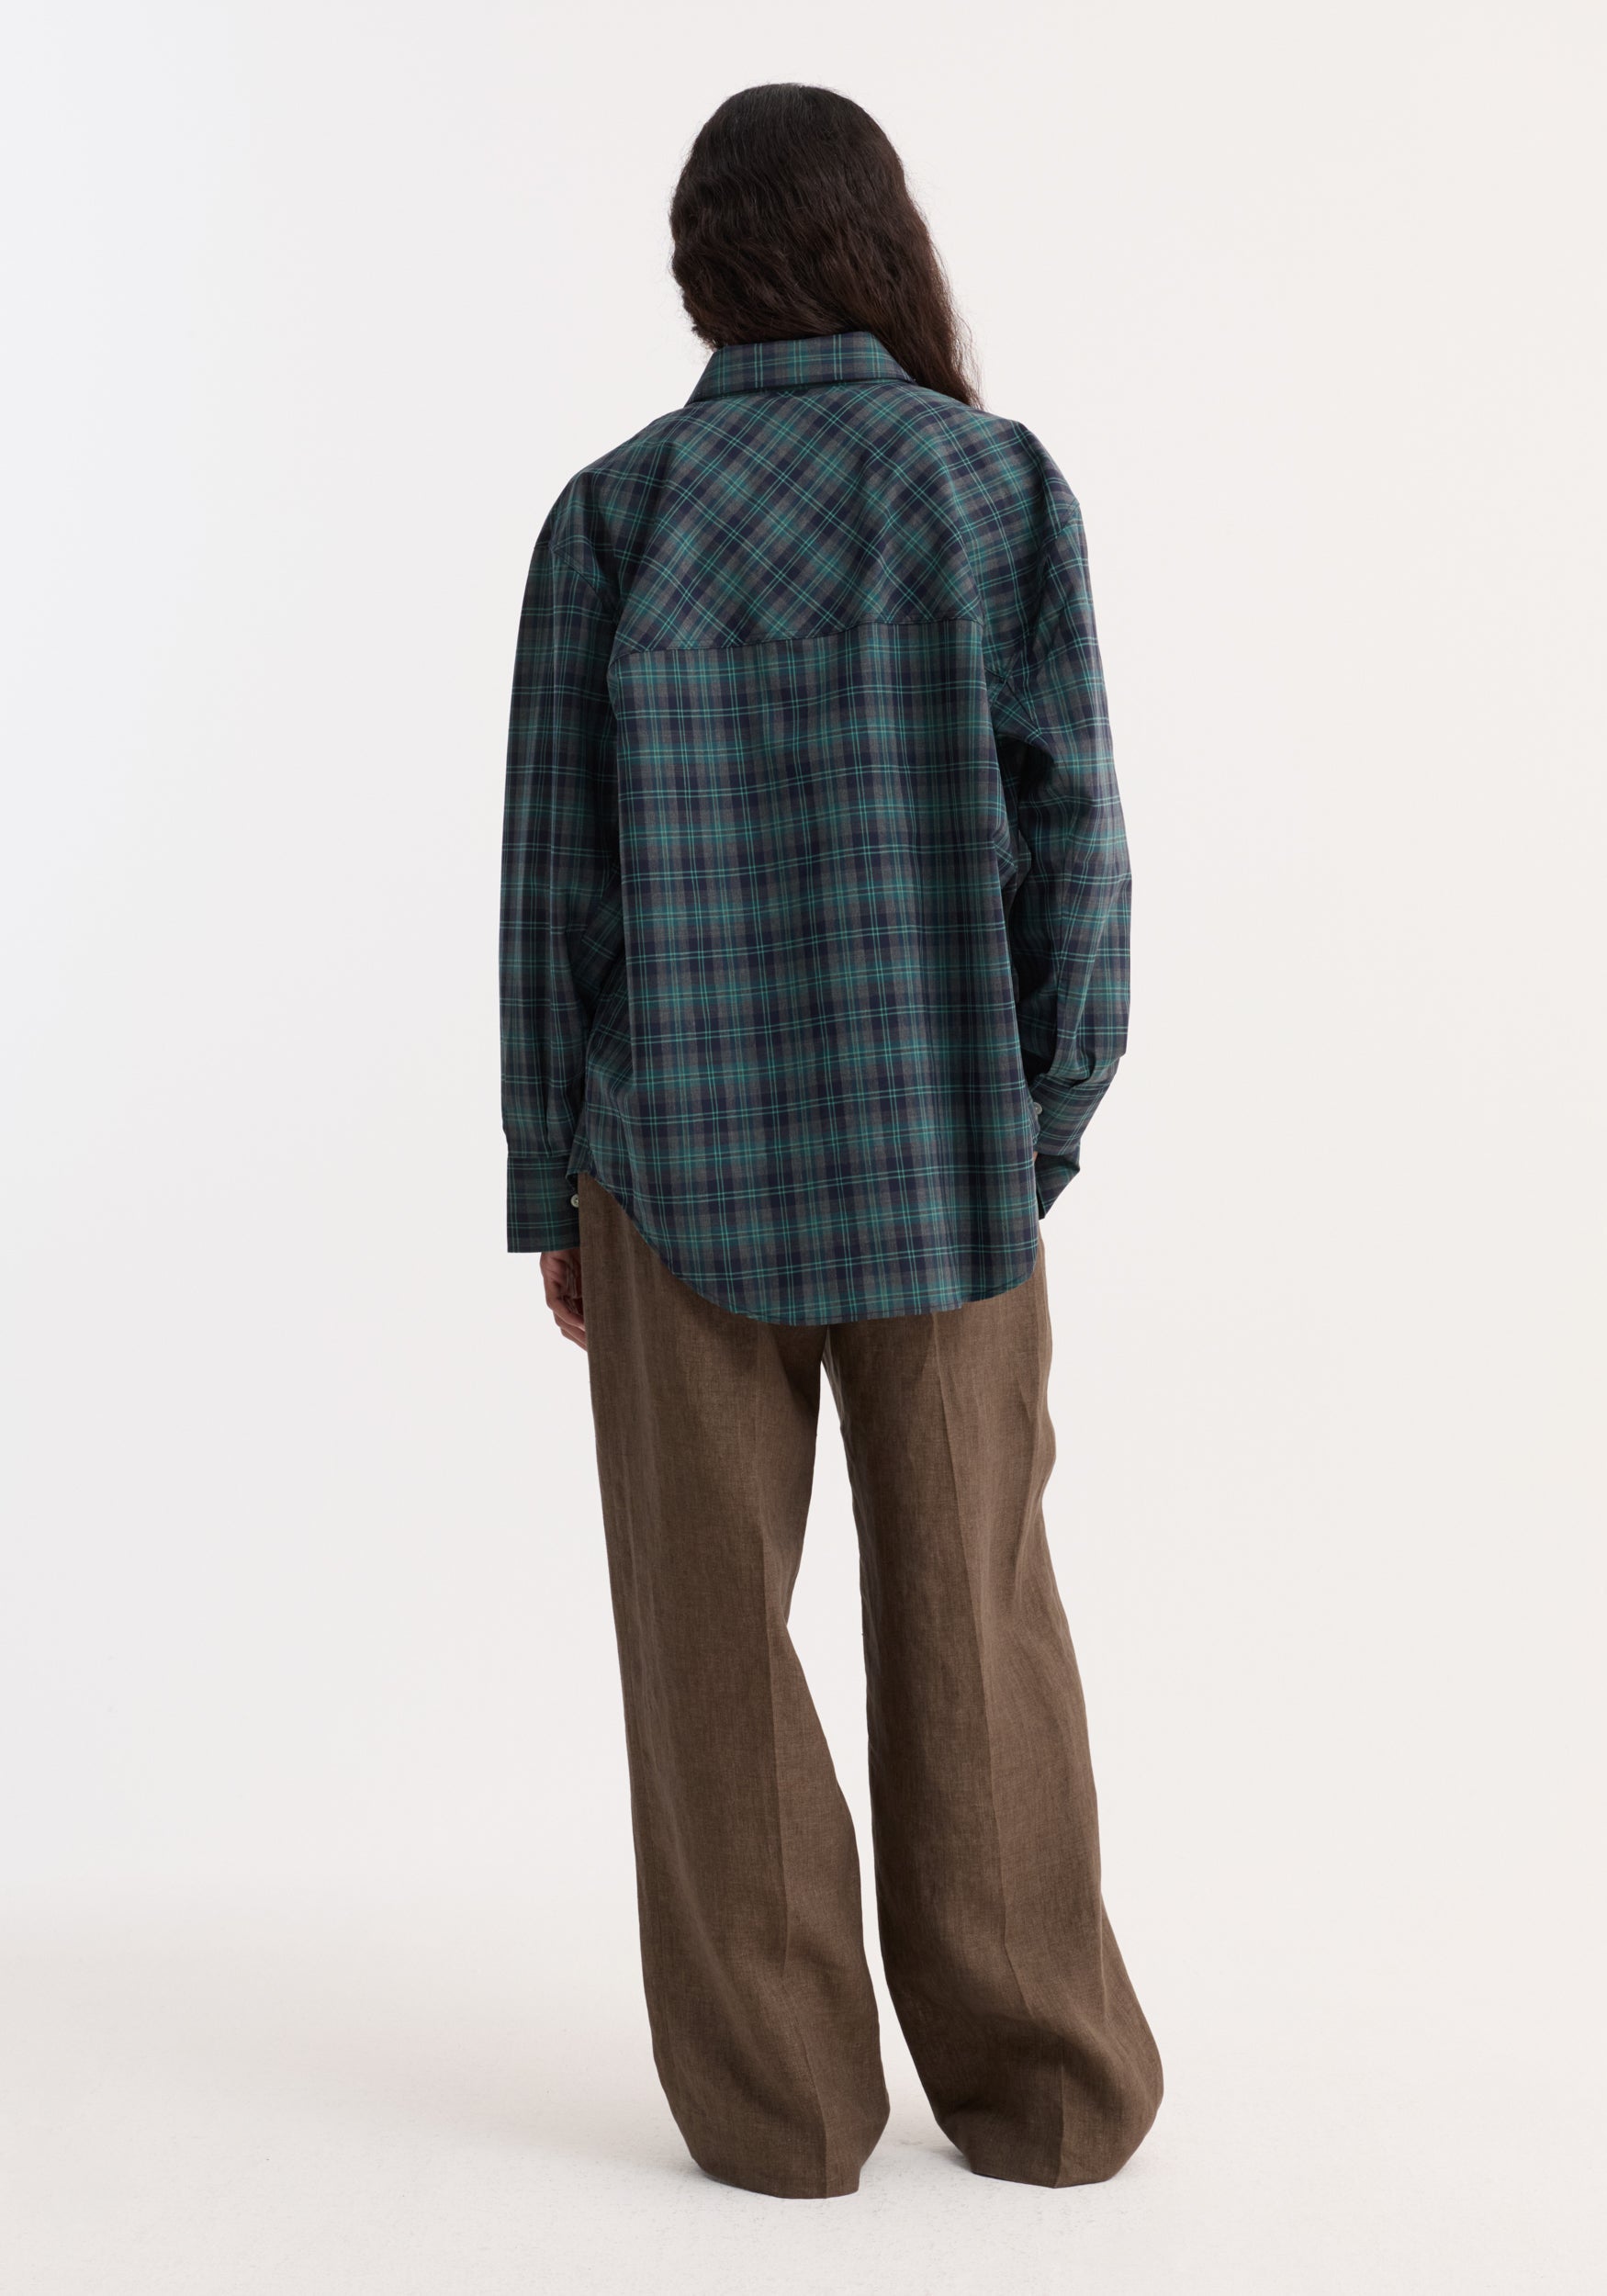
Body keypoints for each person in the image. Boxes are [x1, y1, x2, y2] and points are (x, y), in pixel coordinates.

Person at [500, 82, 1162, 2200]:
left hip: (666, 1161)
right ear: (881, 238)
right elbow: (1080, 848)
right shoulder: (989, 486)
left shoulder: (611, 518)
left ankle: (780, 2112)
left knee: (707, 1635)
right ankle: (1042, 2091)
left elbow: (552, 891)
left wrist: (548, 1180)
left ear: (701, 263)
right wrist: (1033, 1119)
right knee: (975, 1612)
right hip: (943, 1151)